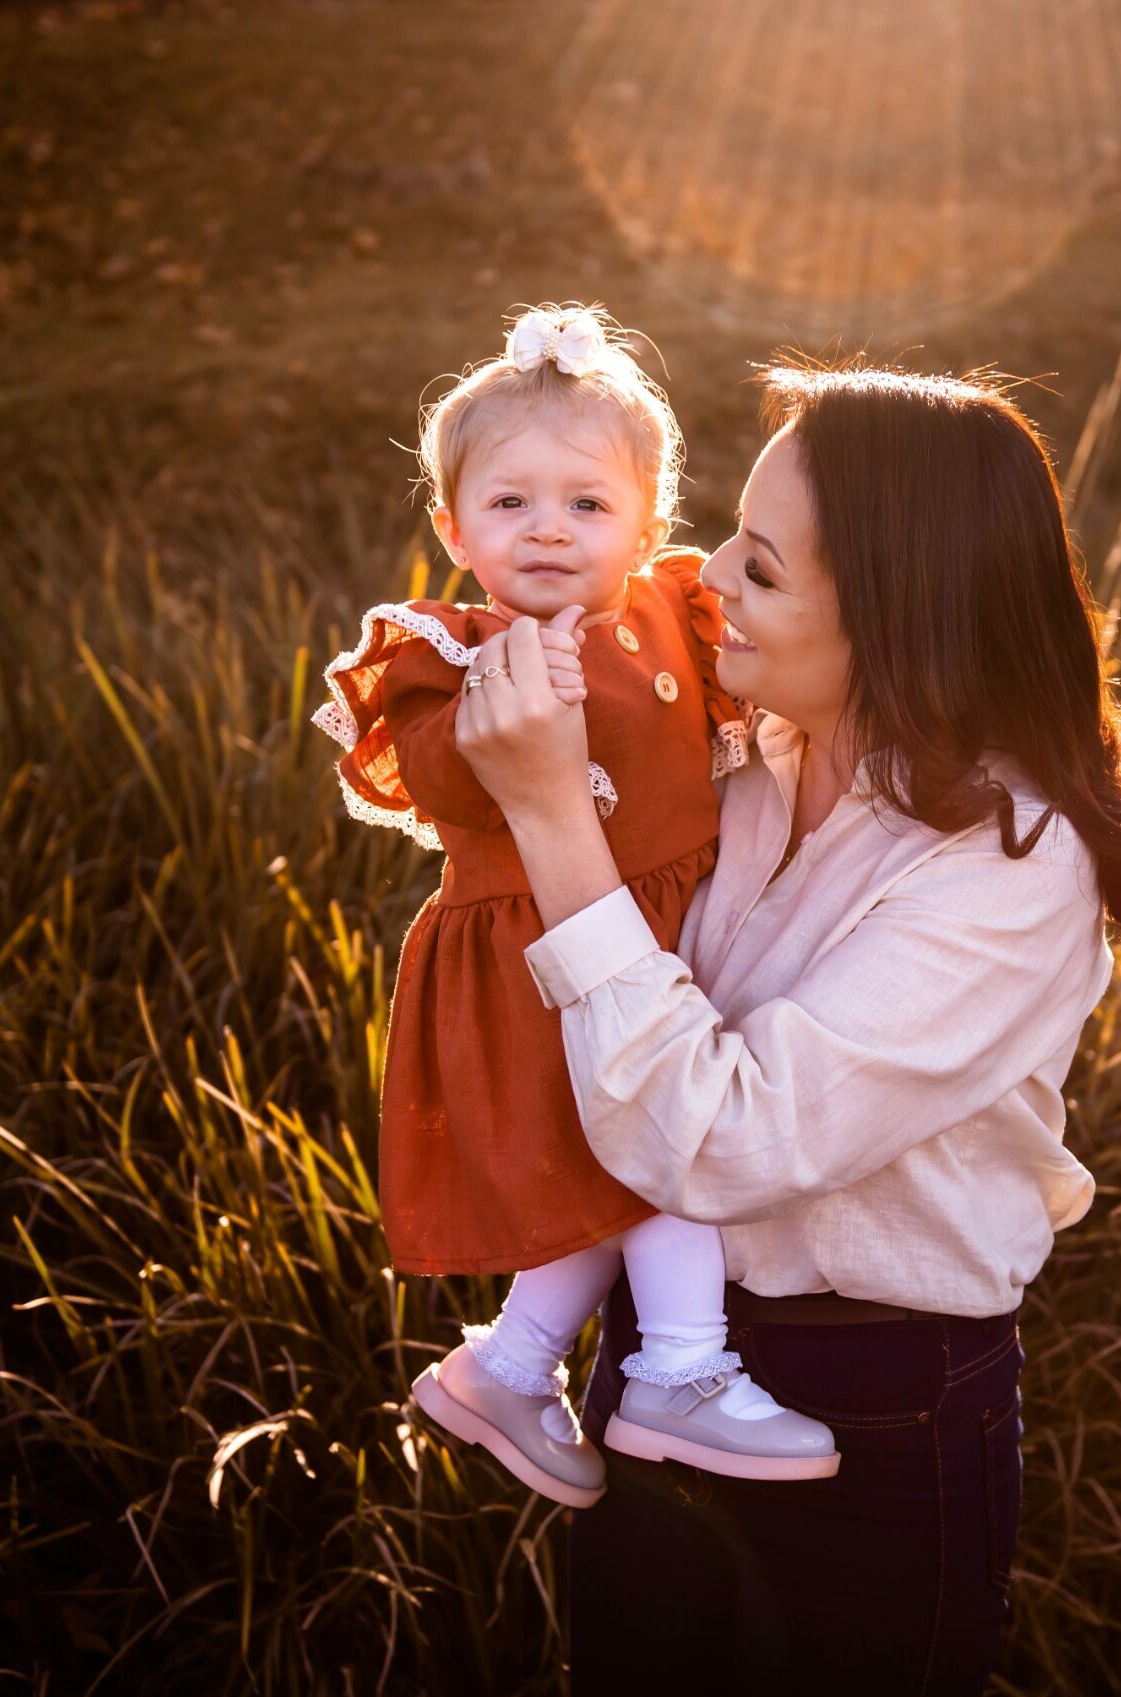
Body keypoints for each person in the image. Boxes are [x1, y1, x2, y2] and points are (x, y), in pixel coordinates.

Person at [449, 362, 1121, 1694]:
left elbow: (720, 1144)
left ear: (897, 621)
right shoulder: (736, 753)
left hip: (876, 1411)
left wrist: (558, 816)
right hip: (655, 1354)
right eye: (728, 528)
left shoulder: (1013, 865)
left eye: (766, 568)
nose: (707, 571)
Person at [310, 304, 836, 1514]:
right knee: (651, 1148)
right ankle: (683, 1367)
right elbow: (434, 776)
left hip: (653, 935)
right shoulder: (460, 650)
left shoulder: (665, 610)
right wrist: (499, 726)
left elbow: (746, 699)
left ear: (647, 524)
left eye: (588, 504)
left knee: (610, 1167)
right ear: (452, 525)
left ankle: (508, 1365)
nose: (550, 528)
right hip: (541, 954)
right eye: (511, 503)